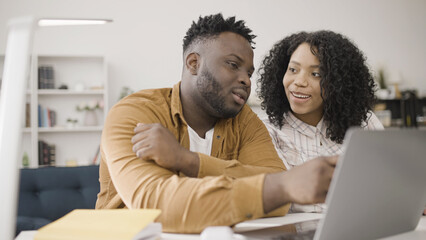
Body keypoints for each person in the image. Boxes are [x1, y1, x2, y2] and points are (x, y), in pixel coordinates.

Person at [96, 14, 337, 233]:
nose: (245, 80)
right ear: (193, 63)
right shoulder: (133, 113)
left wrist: (189, 161)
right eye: (233, 65)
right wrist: (280, 187)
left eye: (249, 73)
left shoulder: (244, 121)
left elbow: (277, 197)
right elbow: (156, 206)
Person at [257, 30, 384, 213]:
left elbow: (390, 180)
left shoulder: (366, 123)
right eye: (293, 70)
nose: (299, 81)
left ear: (338, 83)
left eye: (316, 74)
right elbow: (285, 202)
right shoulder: (266, 131)